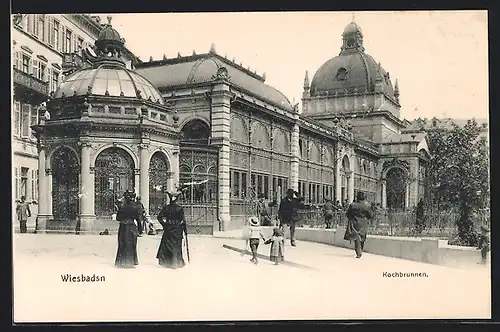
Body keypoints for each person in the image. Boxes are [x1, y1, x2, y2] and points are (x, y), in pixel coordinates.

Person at [156, 191, 188, 269]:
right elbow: (183, 220)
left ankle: (167, 262)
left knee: (168, 245)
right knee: (176, 245)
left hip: (168, 228)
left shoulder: (166, 207)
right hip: (177, 229)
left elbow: (159, 217)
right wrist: (185, 230)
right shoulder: (180, 208)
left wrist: (164, 225)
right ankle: (176, 262)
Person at [114, 190, 141, 268]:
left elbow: (118, 218)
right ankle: (131, 262)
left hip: (123, 226)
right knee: (131, 244)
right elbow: (138, 220)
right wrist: (140, 230)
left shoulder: (122, 207)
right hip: (132, 227)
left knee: (122, 244)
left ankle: (121, 262)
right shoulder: (135, 208)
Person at [344, 191, 374, 258]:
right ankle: (360, 250)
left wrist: (352, 218)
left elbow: (348, 214)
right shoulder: (367, 205)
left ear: (357, 197)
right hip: (363, 223)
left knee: (356, 237)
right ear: (363, 198)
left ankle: (358, 252)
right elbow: (371, 215)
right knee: (362, 237)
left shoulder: (353, 205)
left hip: (355, 222)